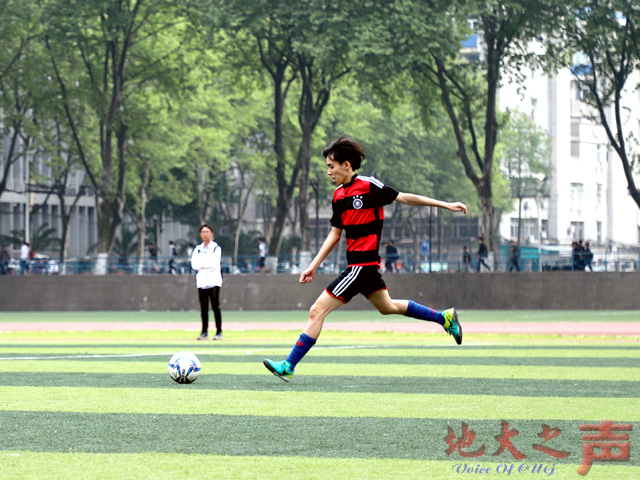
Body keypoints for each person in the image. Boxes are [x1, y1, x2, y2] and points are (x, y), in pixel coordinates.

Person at [263, 134, 466, 382]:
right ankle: (444, 318)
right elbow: (335, 234)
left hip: (362, 267)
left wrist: (445, 205)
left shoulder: (369, 186)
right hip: (361, 268)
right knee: (388, 307)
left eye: (331, 166)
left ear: (346, 165)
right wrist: (313, 266)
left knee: (317, 310)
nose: (328, 172)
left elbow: (404, 197)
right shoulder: (338, 196)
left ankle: (288, 365)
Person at [191, 224, 223, 340]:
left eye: (207, 232)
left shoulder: (216, 248)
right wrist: (204, 266)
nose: (205, 234)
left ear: (212, 234)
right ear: (200, 234)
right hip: (202, 282)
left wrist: (202, 266)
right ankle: (204, 332)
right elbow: (194, 265)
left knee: (215, 307)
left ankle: (219, 331)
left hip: (214, 281)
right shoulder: (197, 249)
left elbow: (214, 264)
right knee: (203, 308)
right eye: (203, 232)